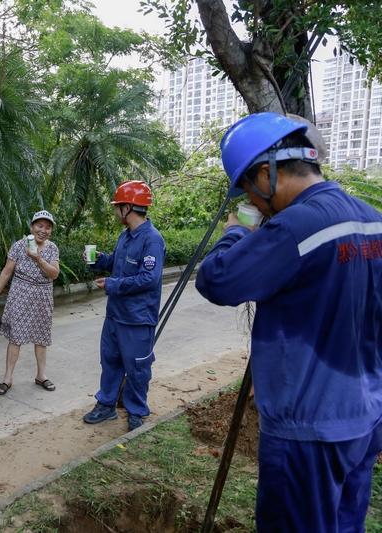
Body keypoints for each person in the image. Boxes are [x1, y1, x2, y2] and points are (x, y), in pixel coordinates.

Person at [195, 112, 382, 531]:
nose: (254, 202)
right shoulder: (373, 219)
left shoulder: (296, 226)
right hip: (364, 419)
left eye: (248, 191)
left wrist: (238, 231)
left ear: (267, 174)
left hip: (308, 427)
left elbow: (218, 280)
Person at [82, 181, 165, 431]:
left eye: (118, 206)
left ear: (128, 207)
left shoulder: (152, 240)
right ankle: (106, 405)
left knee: (138, 367)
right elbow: (117, 263)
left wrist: (112, 285)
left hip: (137, 319)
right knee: (110, 362)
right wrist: (99, 261)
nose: (115, 211)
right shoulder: (125, 236)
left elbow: (149, 279)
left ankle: (136, 411)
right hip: (115, 316)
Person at [0, 210, 60, 395]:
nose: (43, 230)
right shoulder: (19, 246)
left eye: (48, 227)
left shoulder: (52, 249)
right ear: (32, 227)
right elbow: (6, 272)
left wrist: (38, 258)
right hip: (20, 294)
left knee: (41, 337)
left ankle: (41, 375)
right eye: (40, 226)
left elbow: (54, 273)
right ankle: (7, 378)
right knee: (16, 337)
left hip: (42, 296)